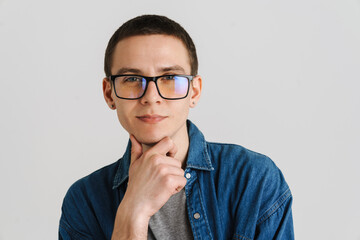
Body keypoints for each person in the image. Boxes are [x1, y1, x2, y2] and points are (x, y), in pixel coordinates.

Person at [59, 15, 294, 240]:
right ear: (109, 94)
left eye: (170, 78)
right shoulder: (83, 202)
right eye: (131, 79)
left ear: (194, 91)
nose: (151, 97)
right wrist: (133, 212)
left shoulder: (254, 179)